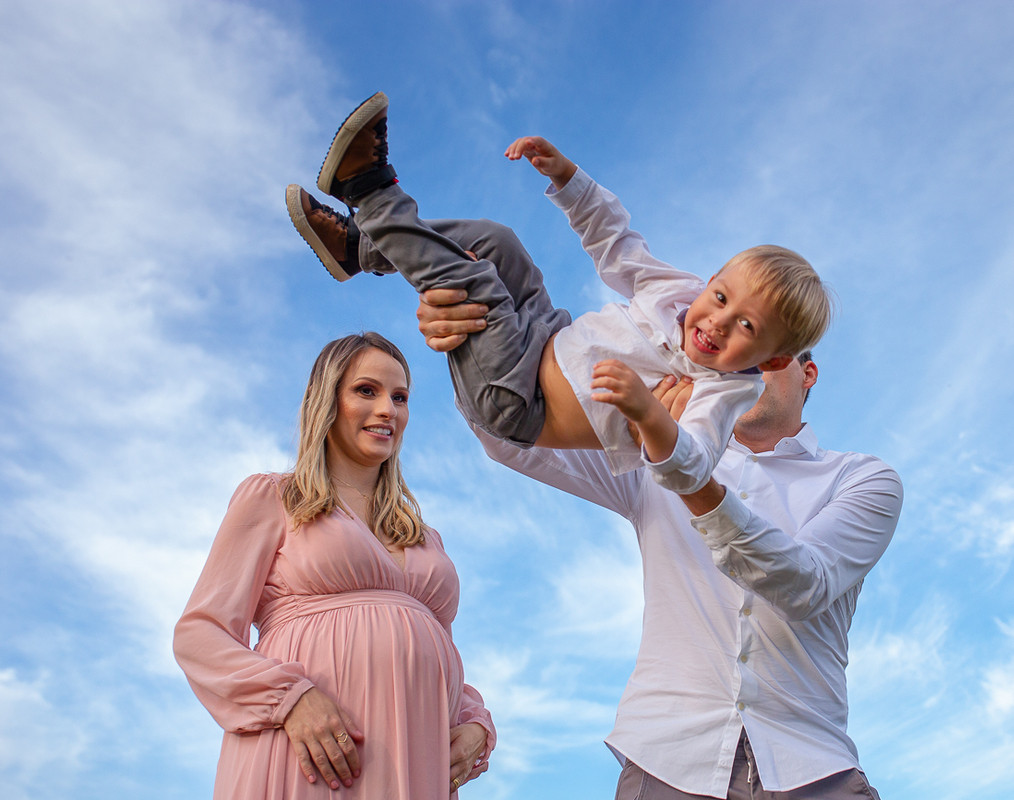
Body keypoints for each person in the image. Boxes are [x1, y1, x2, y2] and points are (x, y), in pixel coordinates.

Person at [418, 293, 903, 799]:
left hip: (813, 767)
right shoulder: (653, 450)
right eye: (738, 350)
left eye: (771, 349)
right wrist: (467, 343)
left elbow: (803, 582)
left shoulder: (862, 478)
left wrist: (676, 459)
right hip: (668, 760)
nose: (750, 361)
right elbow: (511, 437)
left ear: (807, 373)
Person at [285, 91, 832, 497]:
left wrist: (651, 417)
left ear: (774, 360)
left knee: (477, 285)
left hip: (518, 399)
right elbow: (616, 243)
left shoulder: (721, 394)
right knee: (499, 242)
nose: (717, 323)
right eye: (721, 299)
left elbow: (690, 466)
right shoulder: (676, 294)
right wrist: (570, 180)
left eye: (747, 329)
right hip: (547, 331)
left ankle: (372, 192)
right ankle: (361, 250)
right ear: (711, 280)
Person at [173, 332, 496, 799]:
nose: (388, 409)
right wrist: (290, 698)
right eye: (367, 391)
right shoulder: (276, 498)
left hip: (413, 762)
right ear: (327, 400)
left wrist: (474, 724)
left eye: (400, 397)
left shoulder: (425, 538)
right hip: (306, 758)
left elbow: (433, 654)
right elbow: (200, 633)